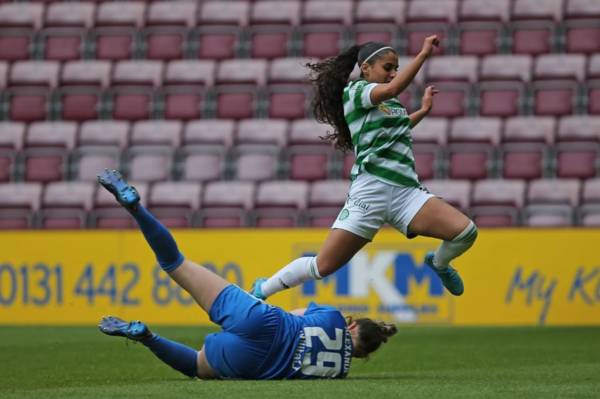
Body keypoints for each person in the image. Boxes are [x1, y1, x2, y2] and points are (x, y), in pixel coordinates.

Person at [96, 169, 397, 380]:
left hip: (265, 321)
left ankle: (135, 208)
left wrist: (257, 297)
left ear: (353, 323)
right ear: (359, 355)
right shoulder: (338, 371)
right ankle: (147, 337)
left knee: (176, 263)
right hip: (256, 361)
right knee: (194, 366)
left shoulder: (332, 316)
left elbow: (294, 314)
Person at [251, 37, 478, 301]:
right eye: (388, 67)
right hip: (370, 193)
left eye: (396, 67)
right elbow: (392, 89)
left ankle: (438, 264)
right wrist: (423, 54)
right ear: (366, 67)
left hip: (406, 193)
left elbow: (397, 129)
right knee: (322, 266)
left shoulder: (390, 106)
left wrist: (423, 111)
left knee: (465, 232)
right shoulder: (357, 92)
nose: (393, 72)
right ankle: (262, 289)